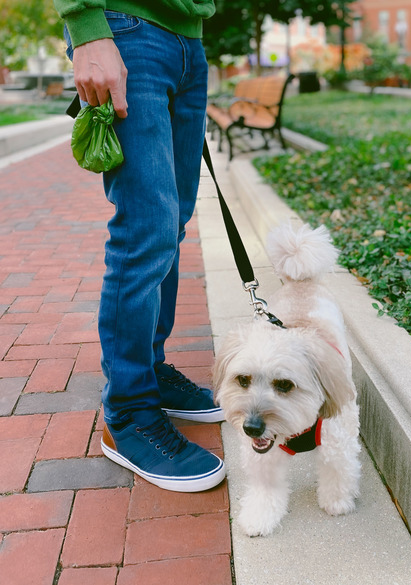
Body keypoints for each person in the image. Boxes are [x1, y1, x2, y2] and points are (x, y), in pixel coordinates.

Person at [53, 0, 226, 492]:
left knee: (171, 224)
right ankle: (127, 412)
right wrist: (87, 28)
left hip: (188, 38)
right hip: (125, 28)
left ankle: (150, 368)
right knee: (146, 227)